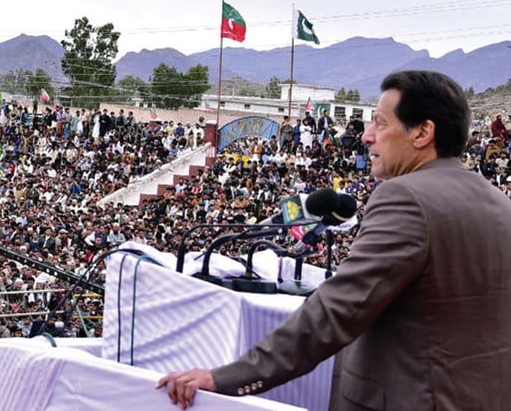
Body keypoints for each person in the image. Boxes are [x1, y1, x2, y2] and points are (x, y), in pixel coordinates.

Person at [157, 70, 511, 410]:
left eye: (380, 123)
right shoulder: (499, 203)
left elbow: (336, 310)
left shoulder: (405, 197)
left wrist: (229, 377)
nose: (366, 135)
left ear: (422, 133)